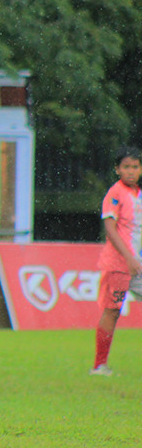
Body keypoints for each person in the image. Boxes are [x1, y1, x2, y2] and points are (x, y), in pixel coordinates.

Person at [90, 146, 142, 376]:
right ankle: (99, 365)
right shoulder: (115, 193)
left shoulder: (138, 194)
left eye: (135, 166)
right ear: (117, 169)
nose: (131, 171)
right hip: (119, 265)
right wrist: (129, 257)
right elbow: (110, 227)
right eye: (126, 167)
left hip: (137, 264)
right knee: (112, 311)